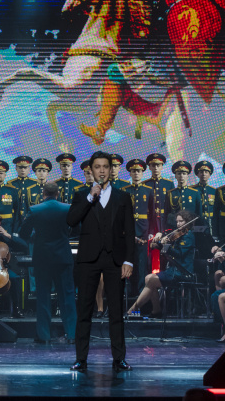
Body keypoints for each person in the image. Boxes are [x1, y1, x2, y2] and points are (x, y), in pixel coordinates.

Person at [67, 151, 135, 372]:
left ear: (111, 170)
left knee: (116, 312)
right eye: (97, 167)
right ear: (91, 170)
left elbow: (129, 232)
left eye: (106, 166)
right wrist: (90, 198)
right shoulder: (81, 195)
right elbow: (71, 220)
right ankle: (81, 359)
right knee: (84, 311)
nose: (102, 170)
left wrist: (129, 261)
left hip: (115, 259)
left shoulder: (123, 197)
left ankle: (119, 359)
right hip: (88, 259)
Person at [19, 182, 76, 343]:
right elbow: (77, 229)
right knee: (67, 297)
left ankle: (44, 336)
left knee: (43, 297)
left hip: (43, 258)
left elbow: (23, 233)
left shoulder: (35, 210)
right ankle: (72, 334)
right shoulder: (67, 208)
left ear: (43, 193)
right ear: (58, 194)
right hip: (63, 258)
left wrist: (36, 235)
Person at [127, 210, 197, 318]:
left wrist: (164, 246)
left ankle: (133, 309)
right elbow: (167, 235)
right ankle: (156, 310)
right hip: (173, 270)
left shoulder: (188, 236)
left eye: (181, 221)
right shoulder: (178, 234)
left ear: (187, 222)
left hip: (183, 271)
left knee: (151, 280)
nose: (178, 224)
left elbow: (179, 255)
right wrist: (160, 238)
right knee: (148, 278)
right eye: (177, 221)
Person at [124, 158, 156, 299]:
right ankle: (129, 293)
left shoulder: (148, 190)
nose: (136, 173)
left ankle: (141, 293)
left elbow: (153, 214)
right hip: (129, 232)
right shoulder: (125, 191)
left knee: (143, 264)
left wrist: (151, 232)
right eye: (133, 171)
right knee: (129, 262)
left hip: (143, 232)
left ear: (143, 173)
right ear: (130, 173)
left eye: (138, 171)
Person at [192, 161, 216, 237]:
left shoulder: (214, 191)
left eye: (206, 172)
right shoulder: (192, 190)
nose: (204, 174)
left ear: (210, 174)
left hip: (210, 223)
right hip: (197, 222)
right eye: (201, 172)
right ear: (197, 174)